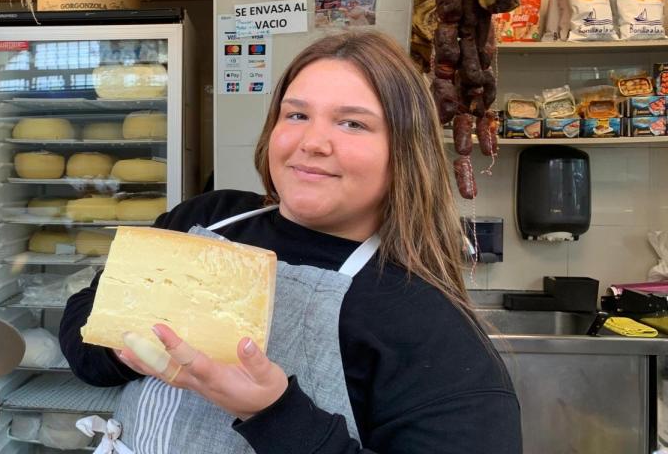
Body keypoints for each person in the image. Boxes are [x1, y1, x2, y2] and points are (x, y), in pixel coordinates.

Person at [59, 30, 522, 454]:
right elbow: (86, 341)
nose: (312, 141)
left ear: (404, 150)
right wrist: (131, 348)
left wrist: (271, 412)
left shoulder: (425, 324)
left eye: (352, 124)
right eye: (297, 114)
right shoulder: (208, 219)